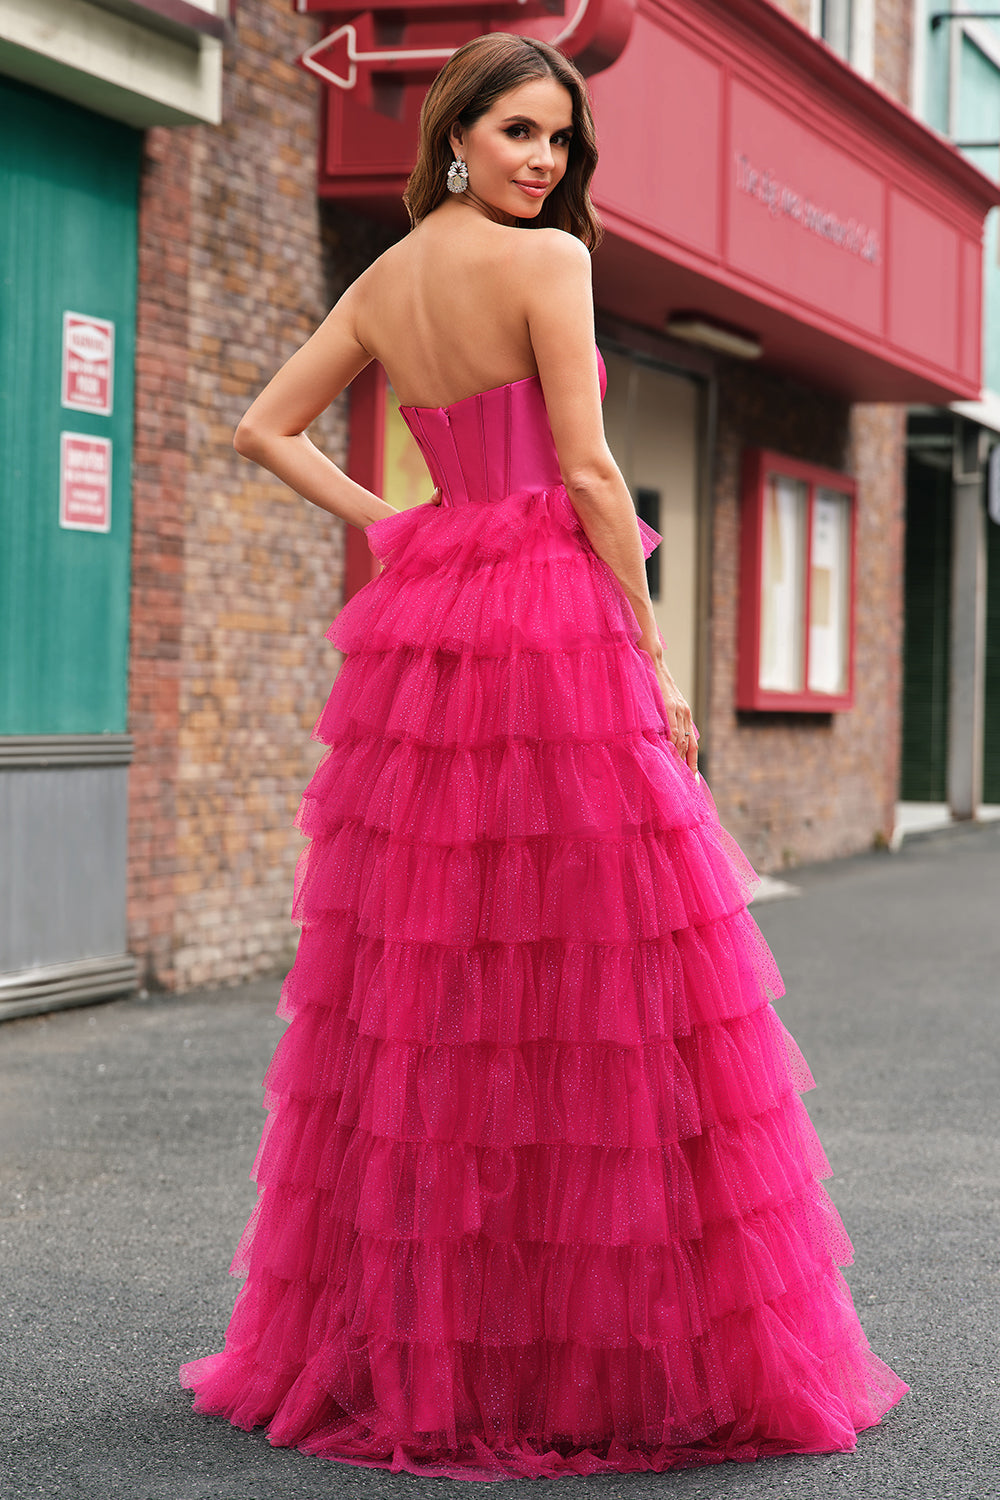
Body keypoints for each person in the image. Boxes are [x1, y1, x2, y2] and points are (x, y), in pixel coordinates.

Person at [180, 31, 907, 1480]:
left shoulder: (391, 280)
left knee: (442, 972)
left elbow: (267, 425)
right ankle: (605, 1350)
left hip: (436, 630)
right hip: (551, 628)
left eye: (561, 144)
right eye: (520, 133)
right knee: (612, 970)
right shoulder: (552, 267)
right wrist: (656, 662)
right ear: (456, 131)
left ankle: (443, 1334)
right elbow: (584, 472)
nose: (545, 162)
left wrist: (396, 529)